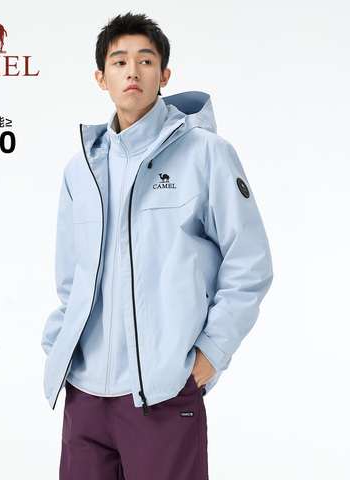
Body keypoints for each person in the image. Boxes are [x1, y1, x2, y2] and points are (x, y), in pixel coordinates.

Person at [42, 12, 273, 480]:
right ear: (101, 77)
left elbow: (249, 262)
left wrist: (210, 353)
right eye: (119, 61)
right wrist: (58, 349)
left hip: (162, 392)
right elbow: (71, 279)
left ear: (164, 75)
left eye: (146, 61)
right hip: (84, 394)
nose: (132, 71)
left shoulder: (206, 153)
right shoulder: (80, 169)